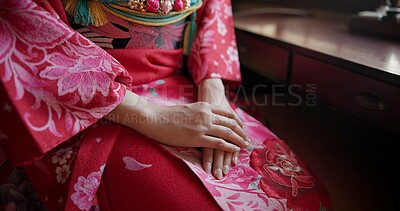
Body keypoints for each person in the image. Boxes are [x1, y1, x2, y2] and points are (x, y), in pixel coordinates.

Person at [0, 0, 331, 210]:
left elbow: (213, 11)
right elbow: (18, 19)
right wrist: (149, 115)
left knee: (294, 193)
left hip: (187, 85)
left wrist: (213, 95)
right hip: (88, 99)